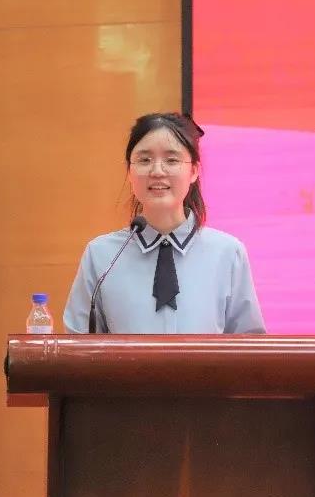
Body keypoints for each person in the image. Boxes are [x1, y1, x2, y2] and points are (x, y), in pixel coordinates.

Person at [63, 112, 266, 334]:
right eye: (144, 160)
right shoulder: (102, 255)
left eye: (171, 160)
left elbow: (249, 344)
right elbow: (77, 343)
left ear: (194, 171)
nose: (157, 171)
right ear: (129, 171)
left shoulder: (227, 253)